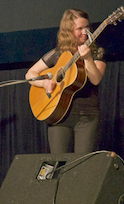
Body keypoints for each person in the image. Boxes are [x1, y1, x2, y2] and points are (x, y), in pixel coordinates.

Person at [25, 9, 106, 154]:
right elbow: (30, 74)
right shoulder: (58, 53)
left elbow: (96, 79)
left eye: (87, 27)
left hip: (86, 117)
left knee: (83, 165)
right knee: (58, 164)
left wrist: (87, 59)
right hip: (58, 116)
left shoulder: (96, 51)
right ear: (68, 31)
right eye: (79, 28)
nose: (85, 32)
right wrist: (44, 83)